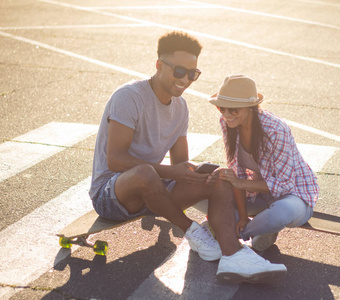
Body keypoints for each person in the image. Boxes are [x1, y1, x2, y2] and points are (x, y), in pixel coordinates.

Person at [89, 31, 286, 284]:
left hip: (155, 190)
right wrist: (171, 173)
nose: (186, 80)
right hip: (112, 194)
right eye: (179, 71)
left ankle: (233, 254)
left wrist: (196, 173)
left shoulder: (180, 107)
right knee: (146, 174)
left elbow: (180, 164)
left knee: (220, 177)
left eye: (192, 74)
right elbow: (115, 160)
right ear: (159, 65)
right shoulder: (128, 97)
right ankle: (191, 231)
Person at [208, 74, 319, 252]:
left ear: (250, 107)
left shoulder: (276, 129)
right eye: (222, 108)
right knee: (210, 194)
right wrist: (243, 217)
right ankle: (261, 228)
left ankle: (240, 232)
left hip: (294, 195)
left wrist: (239, 183)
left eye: (233, 109)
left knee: (281, 213)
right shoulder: (228, 123)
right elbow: (237, 175)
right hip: (256, 195)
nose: (227, 114)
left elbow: (285, 184)